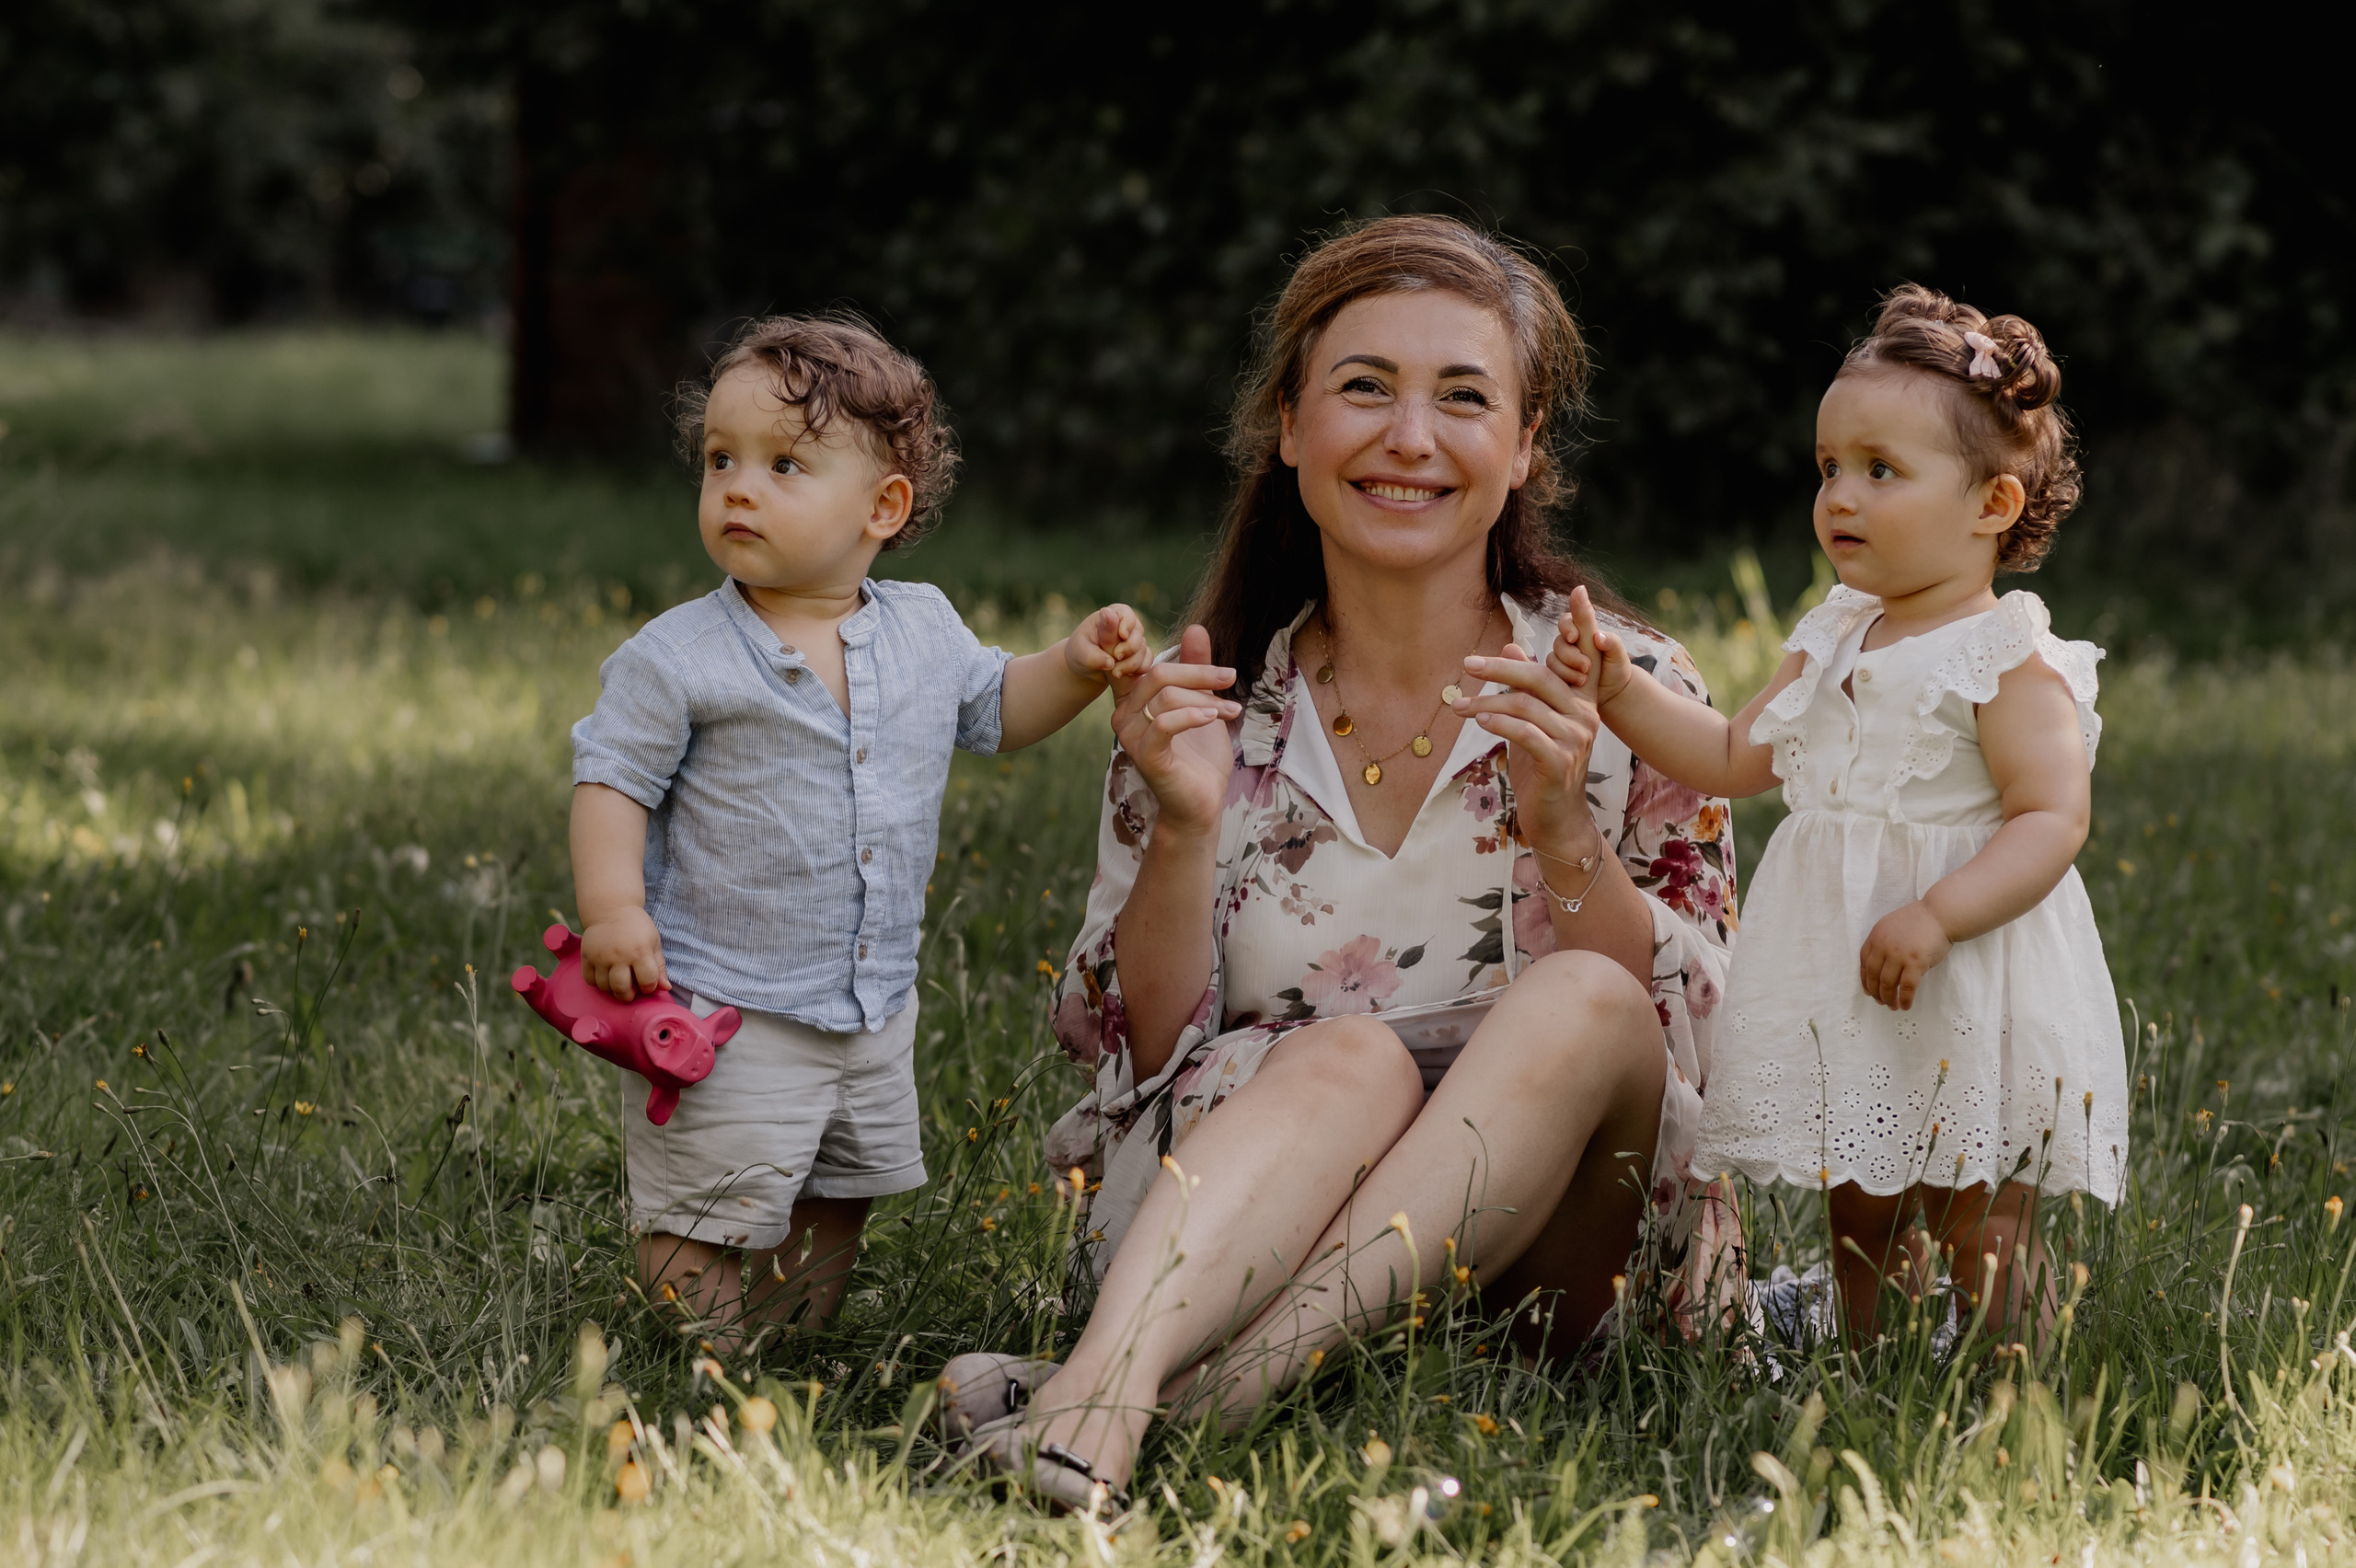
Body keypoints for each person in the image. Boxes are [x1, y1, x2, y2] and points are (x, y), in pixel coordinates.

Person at [941, 215, 1743, 1511]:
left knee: (1592, 1000)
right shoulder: (1203, 704)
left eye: (1463, 398)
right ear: (1289, 425)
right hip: (1246, 1230)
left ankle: (1176, 1398)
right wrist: (1183, 827)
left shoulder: (1628, 692)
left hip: (1555, 1253)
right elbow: (1141, 1057)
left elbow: (1692, 1040)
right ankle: (1114, 1393)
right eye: (1365, 387)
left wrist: (1564, 835)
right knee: (1352, 1054)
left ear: (1525, 445)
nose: (1409, 438)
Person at [567, 316, 1147, 1350]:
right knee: (705, 1201)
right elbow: (613, 779)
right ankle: (704, 1354)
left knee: (840, 1189)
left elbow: (997, 708)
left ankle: (787, 1344)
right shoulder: (679, 657)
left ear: (884, 507)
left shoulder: (923, 628)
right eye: (720, 461)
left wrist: (1072, 665)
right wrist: (612, 909)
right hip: (724, 1000)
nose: (738, 489)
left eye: (783, 465)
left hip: (872, 1005)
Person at [1562, 284, 2122, 1343]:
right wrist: (1619, 692)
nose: (1839, 498)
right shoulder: (1833, 633)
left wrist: (1939, 915)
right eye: (1828, 469)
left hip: (1967, 974)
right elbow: (1731, 755)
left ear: (1992, 505)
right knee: (1860, 1206)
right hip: (1850, 976)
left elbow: (2051, 819)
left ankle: (2017, 1390)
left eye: (1879, 471)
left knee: (1979, 1215)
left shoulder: (2003, 656)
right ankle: (1874, 1378)